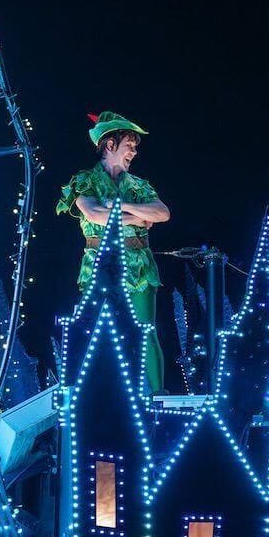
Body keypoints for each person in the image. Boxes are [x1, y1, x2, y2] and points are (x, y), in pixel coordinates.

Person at [57, 111, 171, 394]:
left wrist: (122, 207)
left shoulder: (139, 185)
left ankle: (156, 395)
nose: (134, 151)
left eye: (134, 146)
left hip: (139, 267)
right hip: (99, 265)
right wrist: (138, 219)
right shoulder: (85, 180)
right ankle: (96, 395)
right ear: (110, 145)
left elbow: (162, 213)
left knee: (146, 330)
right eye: (129, 145)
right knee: (97, 331)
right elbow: (95, 214)